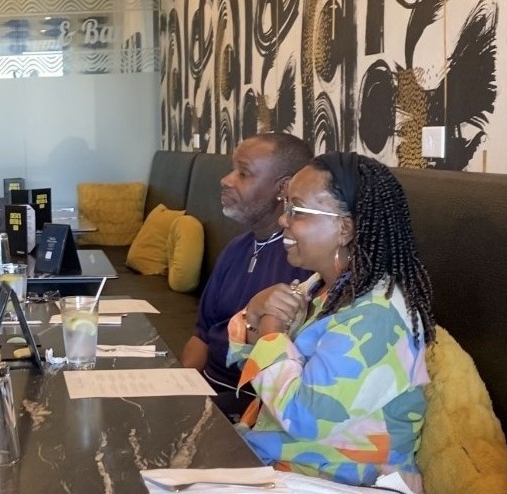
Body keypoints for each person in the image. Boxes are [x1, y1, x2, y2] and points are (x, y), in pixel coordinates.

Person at [228, 152, 434, 491]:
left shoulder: (377, 316)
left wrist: (269, 331)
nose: (283, 220)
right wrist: (253, 314)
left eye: (297, 210)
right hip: (275, 465)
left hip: (332, 481)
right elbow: (248, 367)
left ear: (344, 228)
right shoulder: (321, 289)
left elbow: (304, 416)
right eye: (286, 206)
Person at [178, 133, 312, 420]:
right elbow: (202, 335)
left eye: (243, 173)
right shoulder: (236, 249)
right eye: (231, 170)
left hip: (252, 404)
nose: (226, 180)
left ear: (283, 188)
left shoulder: (304, 264)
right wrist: (175, 388)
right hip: (206, 390)